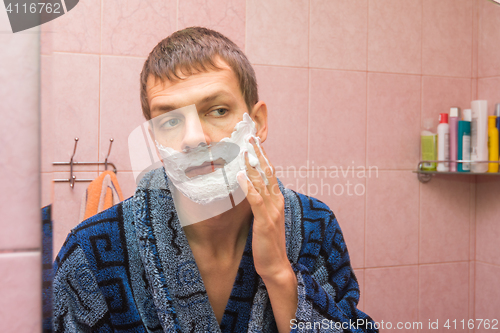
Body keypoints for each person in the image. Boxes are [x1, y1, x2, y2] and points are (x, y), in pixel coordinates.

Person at [52, 27, 378, 333]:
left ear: (258, 121)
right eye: (171, 121)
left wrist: (280, 273)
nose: (194, 138)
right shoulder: (87, 254)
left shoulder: (314, 227)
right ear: (154, 140)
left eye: (218, 110)